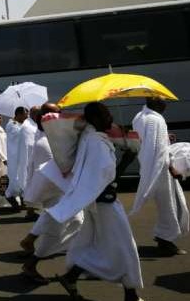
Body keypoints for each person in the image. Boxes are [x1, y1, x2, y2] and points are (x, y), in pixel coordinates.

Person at [49, 102, 143, 301]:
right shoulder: (97, 142)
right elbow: (107, 177)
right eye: (106, 115)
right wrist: (127, 160)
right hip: (104, 201)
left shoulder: (92, 137)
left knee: (102, 245)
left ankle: (72, 277)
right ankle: (131, 294)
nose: (110, 119)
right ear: (95, 119)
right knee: (125, 246)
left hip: (96, 200)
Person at [20, 103, 84, 284]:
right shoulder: (45, 142)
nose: (60, 116)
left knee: (73, 224)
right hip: (55, 190)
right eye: (56, 113)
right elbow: (60, 169)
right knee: (73, 222)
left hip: (59, 190)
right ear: (46, 118)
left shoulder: (53, 136)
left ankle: (76, 263)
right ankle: (33, 251)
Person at [131, 97, 189, 256]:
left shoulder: (140, 117)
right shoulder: (155, 120)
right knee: (171, 205)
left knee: (169, 205)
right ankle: (165, 240)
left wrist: (166, 137)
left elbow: (151, 144)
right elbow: (159, 151)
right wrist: (172, 168)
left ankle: (165, 238)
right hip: (161, 171)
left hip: (152, 167)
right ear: (156, 103)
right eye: (163, 102)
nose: (166, 105)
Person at [5, 106, 36, 209]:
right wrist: (24, 129)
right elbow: (17, 137)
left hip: (21, 155)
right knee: (15, 178)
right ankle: (9, 196)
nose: (26, 117)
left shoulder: (19, 124)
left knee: (23, 176)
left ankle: (23, 201)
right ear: (18, 115)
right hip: (15, 157)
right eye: (25, 115)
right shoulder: (11, 125)